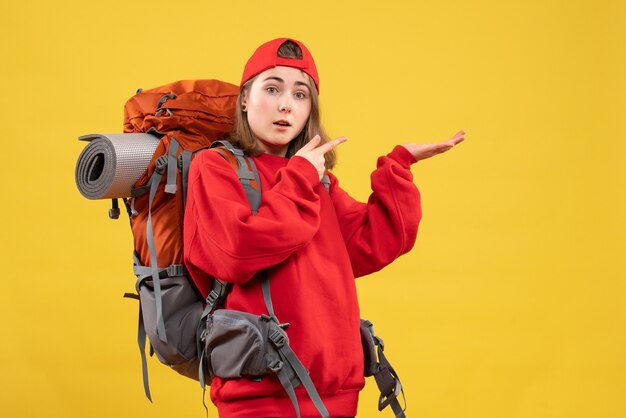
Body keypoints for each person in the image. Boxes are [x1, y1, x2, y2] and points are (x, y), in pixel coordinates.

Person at [184, 38, 465, 418]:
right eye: (272, 88)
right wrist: (300, 177)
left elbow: (374, 242)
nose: (287, 104)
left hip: (338, 394)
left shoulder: (320, 185)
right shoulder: (215, 167)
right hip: (261, 400)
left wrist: (398, 166)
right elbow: (237, 252)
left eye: (301, 95)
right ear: (245, 99)